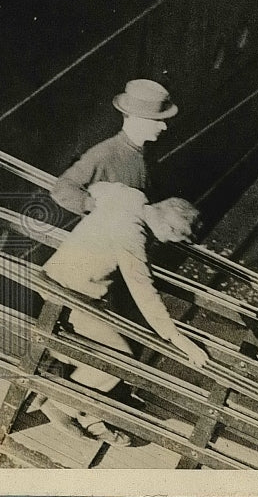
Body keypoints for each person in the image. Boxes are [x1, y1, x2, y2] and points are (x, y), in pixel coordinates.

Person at [40, 181, 210, 446]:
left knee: (113, 339)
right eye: (173, 239)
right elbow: (143, 290)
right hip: (69, 295)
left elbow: (97, 189)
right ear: (168, 228)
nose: (166, 242)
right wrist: (179, 339)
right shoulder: (133, 236)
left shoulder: (129, 196)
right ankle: (61, 405)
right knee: (120, 359)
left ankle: (84, 399)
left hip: (57, 275)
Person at [49, 79, 178, 218]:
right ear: (135, 118)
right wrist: (96, 206)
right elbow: (61, 189)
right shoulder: (103, 154)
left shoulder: (147, 155)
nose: (164, 126)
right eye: (157, 120)